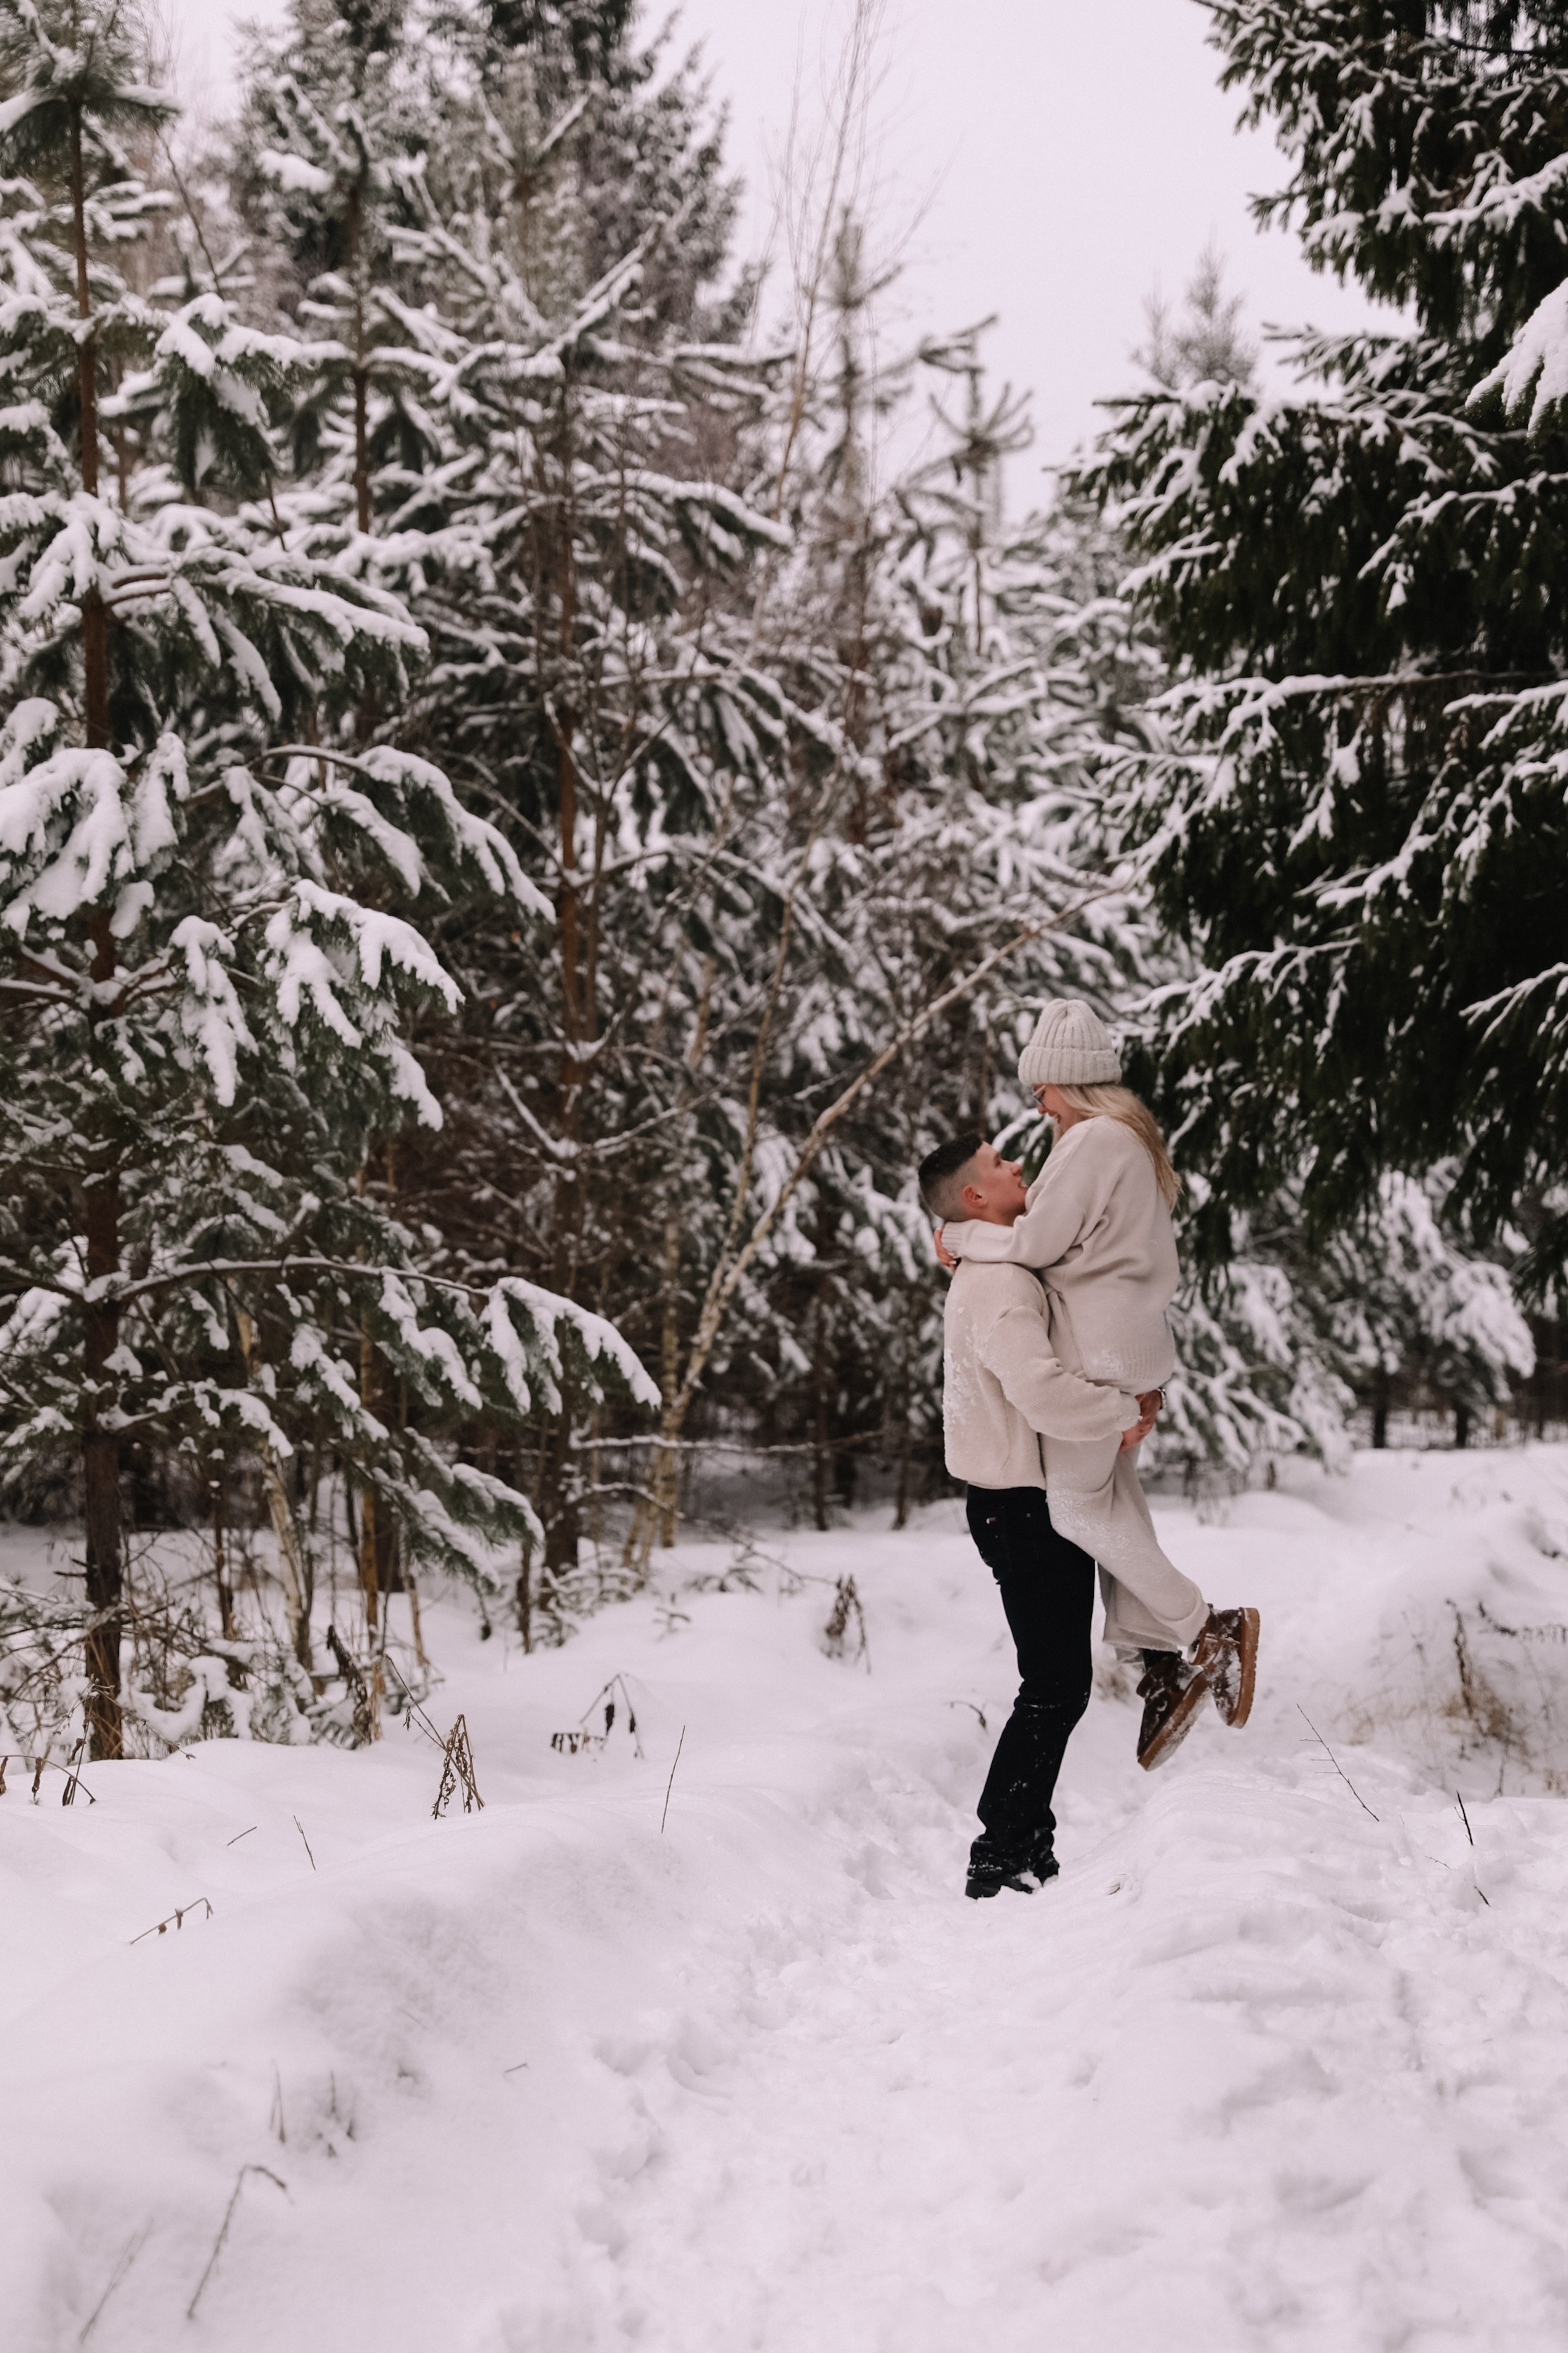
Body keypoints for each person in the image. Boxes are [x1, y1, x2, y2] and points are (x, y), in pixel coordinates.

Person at [933, 998, 1259, 1781]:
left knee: (1076, 1508)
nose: (1035, 1105)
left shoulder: (1089, 1142)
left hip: (1097, 1355)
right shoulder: (1123, 1139)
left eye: (1040, 1088)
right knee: (1113, 1505)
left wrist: (958, 1236)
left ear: (1066, 1081)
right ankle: (1159, 1666)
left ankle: (1206, 1628)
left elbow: (1037, 1245)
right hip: (1126, 1346)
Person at [919, 1127, 1159, 1899]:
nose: (1017, 1161)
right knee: (1053, 1684)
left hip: (1019, 1501)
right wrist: (1119, 1412)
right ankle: (999, 1853)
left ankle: (1027, 1845)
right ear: (973, 1197)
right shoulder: (999, 1286)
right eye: (997, 1162)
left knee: (1056, 1681)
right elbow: (1039, 1386)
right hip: (1016, 1505)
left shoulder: (999, 1265)